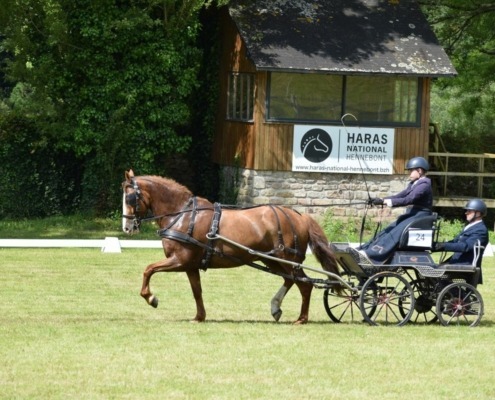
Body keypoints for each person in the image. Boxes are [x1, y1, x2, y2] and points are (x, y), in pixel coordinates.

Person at [358, 156, 433, 263]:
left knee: (396, 232)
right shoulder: (414, 184)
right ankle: (366, 249)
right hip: (413, 214)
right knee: (389, 229)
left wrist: (387, 202)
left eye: (411, 171)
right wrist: (381, 199)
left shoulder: (424, 185)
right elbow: (400, 195)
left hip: (421, 216)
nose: (409, 174)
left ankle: (373, 254)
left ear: (419, 171)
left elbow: (409, 199)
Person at [433, 199, 489, 283]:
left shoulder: (481, 230)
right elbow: (455, 242)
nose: (466, 213)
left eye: (469, 211)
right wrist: (435, 246)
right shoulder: (469, 226)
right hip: (457, 262)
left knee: (439, 279)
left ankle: (459, 296)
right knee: (431, 273)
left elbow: (466, 246)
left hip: (466, 265)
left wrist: (443, 246)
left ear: (478, 213)